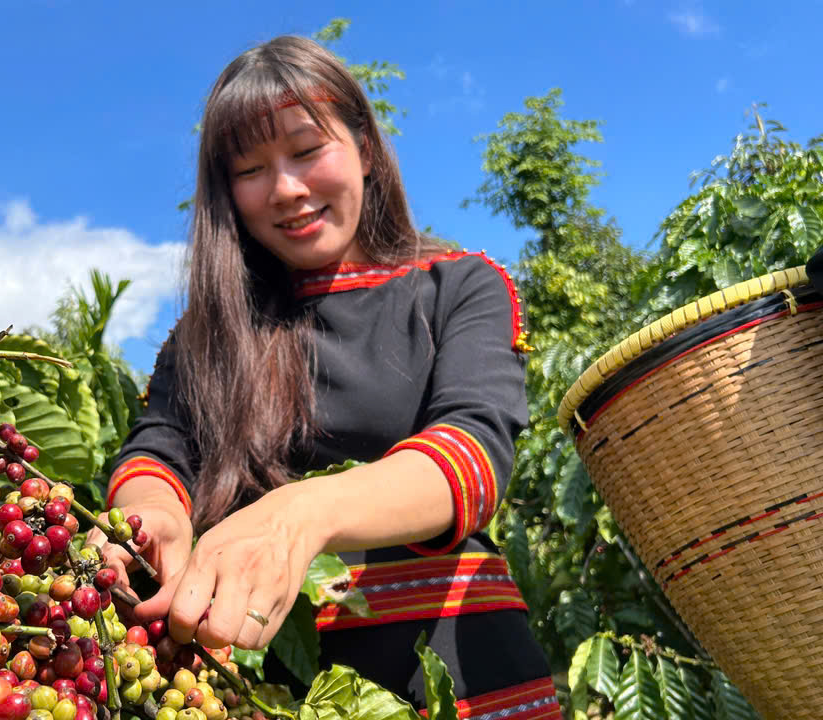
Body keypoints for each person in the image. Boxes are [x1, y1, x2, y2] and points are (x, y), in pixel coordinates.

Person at [88, 35, 558, 717]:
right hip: (261, 688)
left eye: (308, 151)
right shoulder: (204, 337)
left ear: (364, 148)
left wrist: (300, 515)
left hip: (463, 673)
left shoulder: (458, 286)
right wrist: (149, 517)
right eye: (251, 169)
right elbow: (159, 449)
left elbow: (473, 455)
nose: (286, 188)